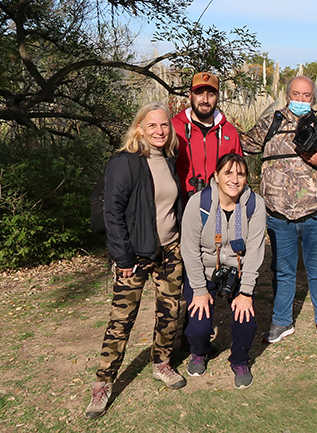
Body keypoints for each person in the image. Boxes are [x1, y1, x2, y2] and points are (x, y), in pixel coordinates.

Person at [86, 103, 186, 420]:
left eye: (164, 126)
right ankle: (103, 383)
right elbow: (113, 214)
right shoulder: (125, 162)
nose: (159, 131)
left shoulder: (169, 160)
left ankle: (161, 363)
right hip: (135, 254)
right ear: (139, 128)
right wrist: (122, 257)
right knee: (121, 321)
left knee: (170, 314)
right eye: (152, 125)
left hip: (170, 250)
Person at [242, 76, 317, 344]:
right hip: (278, 215)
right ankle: (281, 322)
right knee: (282, 272)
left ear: (313, 98)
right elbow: (243, 144)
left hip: (316, 213)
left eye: (306, 95)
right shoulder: (271, 123)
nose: (301, 99)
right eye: (296, 94)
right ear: (287, 95)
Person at [180, 153, 266, 389]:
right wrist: (199, 289)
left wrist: (246, 292)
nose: (234, 179)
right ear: (216, 176)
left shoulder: (254, 204)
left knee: (245, 320)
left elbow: (256, 250)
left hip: (237, 271)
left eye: (240, 174)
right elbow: (188, 249)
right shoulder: (199, 203)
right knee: (198, 326)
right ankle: (200, 351)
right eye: (228, 173)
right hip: (204, 271)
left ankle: (240, 360)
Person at [172, 72, 243, 199]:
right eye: (199, 93)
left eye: (210, 95)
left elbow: (239, 174)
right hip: (181, 205)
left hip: (219, 205)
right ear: (190, 95)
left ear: (217, 97)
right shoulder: (174, 128)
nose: (205, 100)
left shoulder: (230, 132)